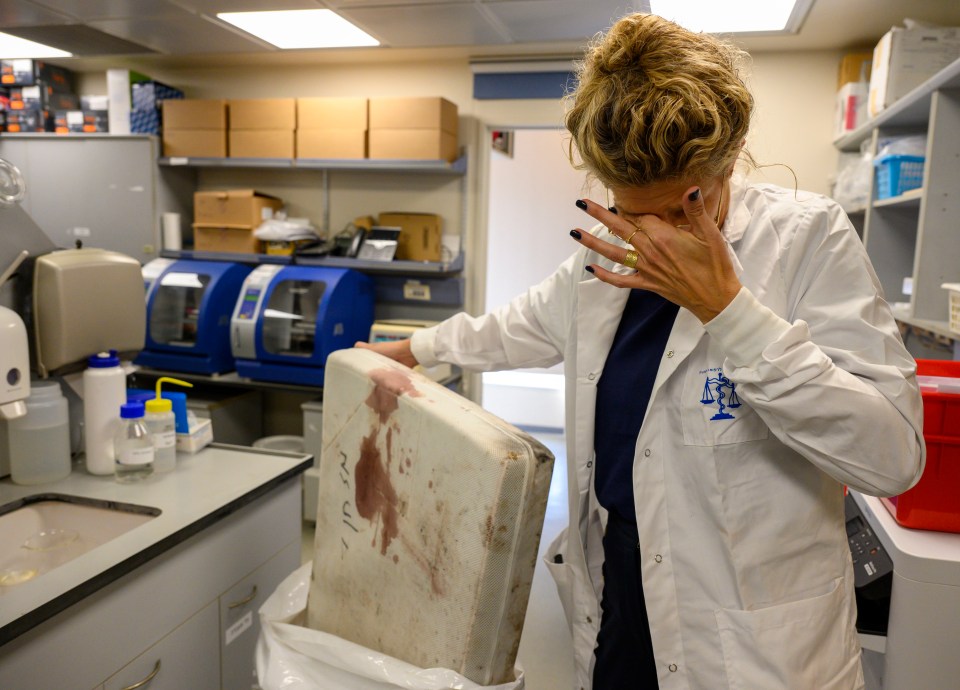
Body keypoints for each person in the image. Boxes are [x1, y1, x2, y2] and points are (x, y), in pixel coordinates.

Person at [358, 12, 925, 690]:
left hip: (753, 649)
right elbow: (521, 324)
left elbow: (892, 455)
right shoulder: (603, 262)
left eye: (684, 207)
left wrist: (732, 313)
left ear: (733, 152)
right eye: (632, 212)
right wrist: (415, 348)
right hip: (623, 605)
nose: (652, 238)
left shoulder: (808, 241)